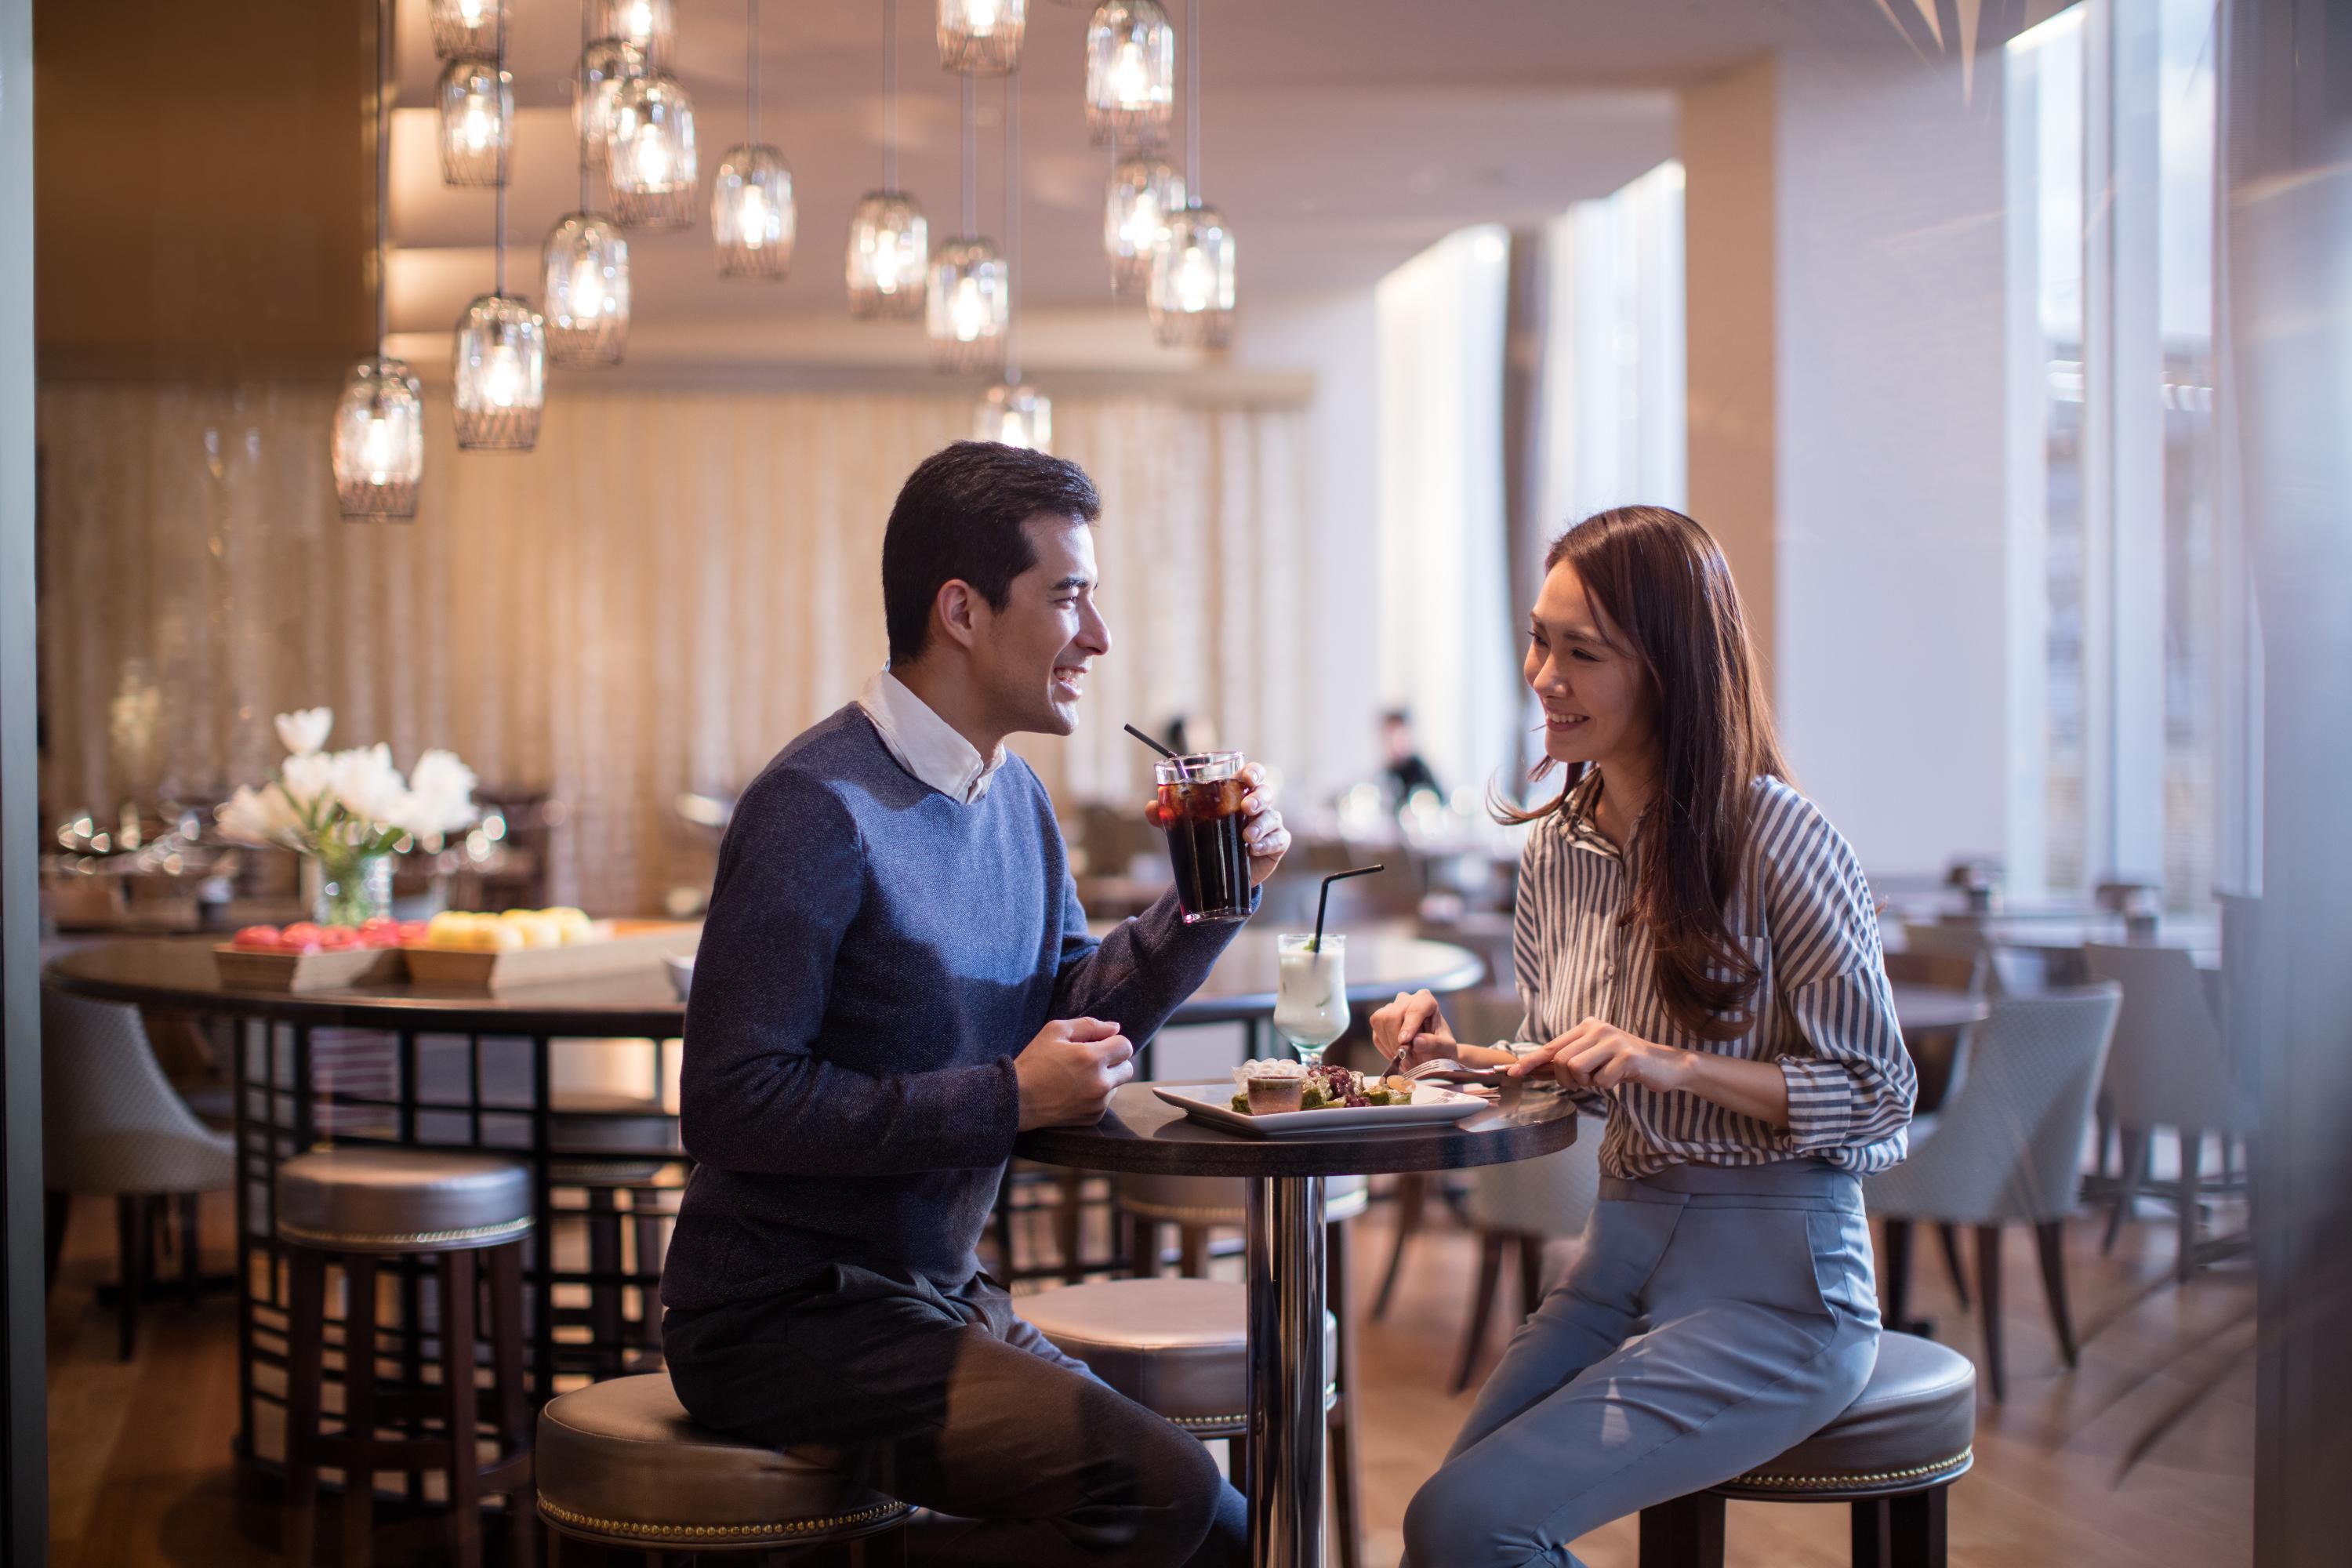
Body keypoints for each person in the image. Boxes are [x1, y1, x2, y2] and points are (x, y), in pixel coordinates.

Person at [662, 442, 1290, 1568]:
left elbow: (1071, 1009)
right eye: (1069, 598)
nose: (1096, 638)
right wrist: (1003, 1097)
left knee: (1234, 1538)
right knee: (1159, 1494)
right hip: (783, 1319)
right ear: (961, 609)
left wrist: (1205, 899)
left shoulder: (1015, 803)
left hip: (934, 1295)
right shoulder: (816, 807)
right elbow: (730, 1103)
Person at [1371, 505, 1914, 1568]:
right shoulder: (1557, 850)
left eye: (1583, 653)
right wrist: (1462, 1057)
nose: (1544, 675)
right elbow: (1570, 1070)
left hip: (1784, 1292)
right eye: (1539, 639)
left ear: (1667, 670)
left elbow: (1881, 1096)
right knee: (1449, 1529)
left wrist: (1672, 1062)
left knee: (1464, 1526)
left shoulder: (1776, 835)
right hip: (1617, 1258)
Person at [1380, 708, 1442, 809]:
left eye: (1397, 735)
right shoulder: (1384, 774)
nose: (1393, 742)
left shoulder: (1420, 772)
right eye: (1388, 737)